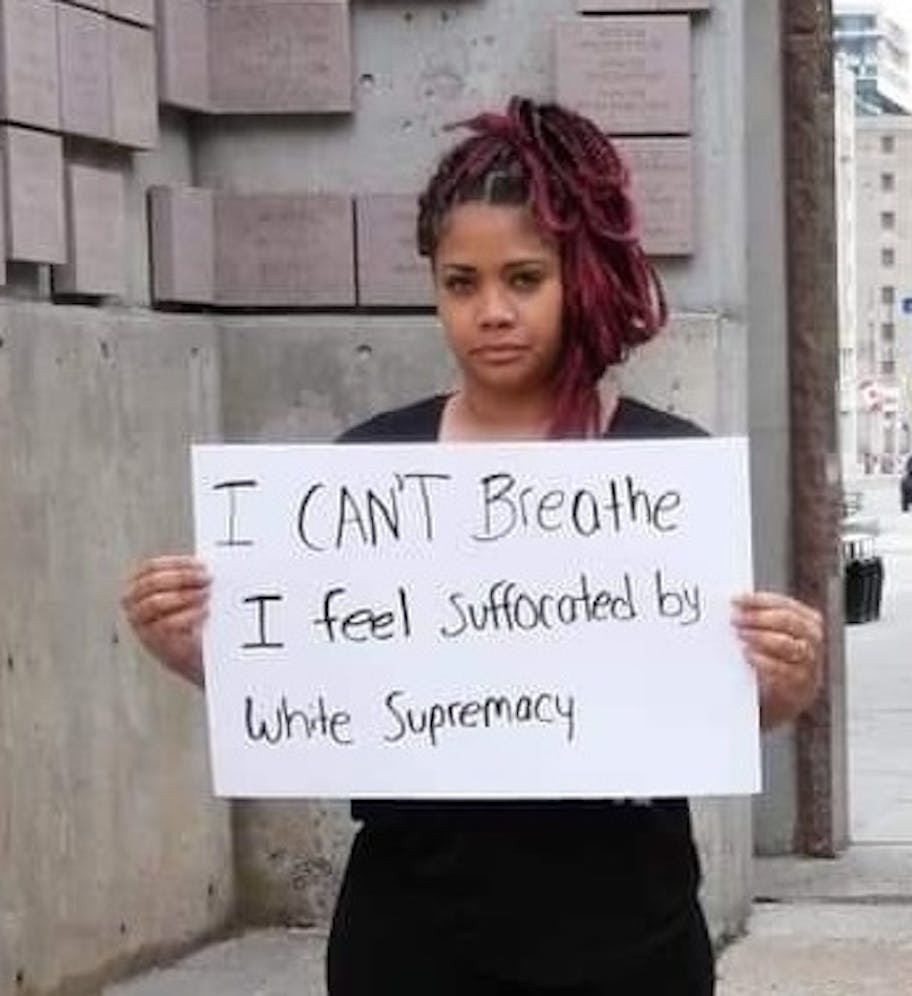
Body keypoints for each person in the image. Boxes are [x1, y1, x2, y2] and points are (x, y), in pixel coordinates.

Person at [122, 97, 823, 995]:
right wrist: (203, 654)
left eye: (523, 279)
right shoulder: (369, 472)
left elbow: (701, 705)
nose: (492, 311)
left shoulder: (663, 469)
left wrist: (781, 687)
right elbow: (324, 691)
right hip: (415, 931)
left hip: (623, 927)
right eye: (462, 283)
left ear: (581, 275)